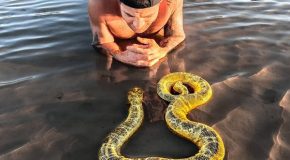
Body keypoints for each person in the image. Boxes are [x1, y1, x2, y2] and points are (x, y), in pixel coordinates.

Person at [88, 0, 185, 67]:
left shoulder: (172, 2)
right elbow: (101, 42)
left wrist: (163, 50)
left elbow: (177, 36)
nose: (138, 25)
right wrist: (119, 55)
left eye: (148, 16)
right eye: (129, 15)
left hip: (157, 58)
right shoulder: (99, 4)